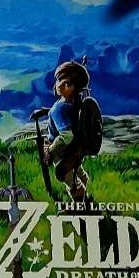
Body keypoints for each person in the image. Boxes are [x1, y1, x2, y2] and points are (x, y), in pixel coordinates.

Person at [42, 61, 96, 201]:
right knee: (78, 171)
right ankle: (86, 198)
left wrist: (50, 151)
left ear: (69, 86)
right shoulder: (74, 103)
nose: (57, 84)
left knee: (69, 180)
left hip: (61, 151)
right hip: (75, 149)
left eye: (60, 80)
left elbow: (66, 135)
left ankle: (80, 205)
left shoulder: (58, 109)